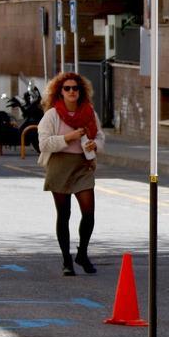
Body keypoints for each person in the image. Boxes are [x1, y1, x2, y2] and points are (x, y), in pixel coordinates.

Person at [37, 72, 104, 276]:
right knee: (64, 214)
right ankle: (66, 259)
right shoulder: (52, 115)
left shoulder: (89, 112)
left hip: (83, 165)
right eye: (67, 88)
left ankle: (82, 253)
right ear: (60, 91)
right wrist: (68, 137)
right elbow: (44, 144)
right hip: (59, 164)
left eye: (75, 88)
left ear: (80, 91)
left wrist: (96, 144)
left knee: (89, 212)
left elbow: (100, 135)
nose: (72, 91)